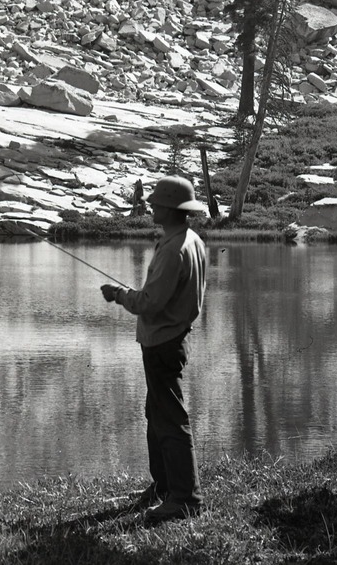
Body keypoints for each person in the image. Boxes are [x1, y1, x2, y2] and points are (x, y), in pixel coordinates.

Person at [100, 174, 210, 525]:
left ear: (169, 209)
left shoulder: (175, 248)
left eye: (155, 203)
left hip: (163, 342)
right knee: (156, 414)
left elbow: (149, 303)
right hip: (170, 339)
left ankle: (184, 498)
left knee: (171, 420)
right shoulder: (190, 239)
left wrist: (119, 295)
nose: (151, 207)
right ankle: (163, 487)